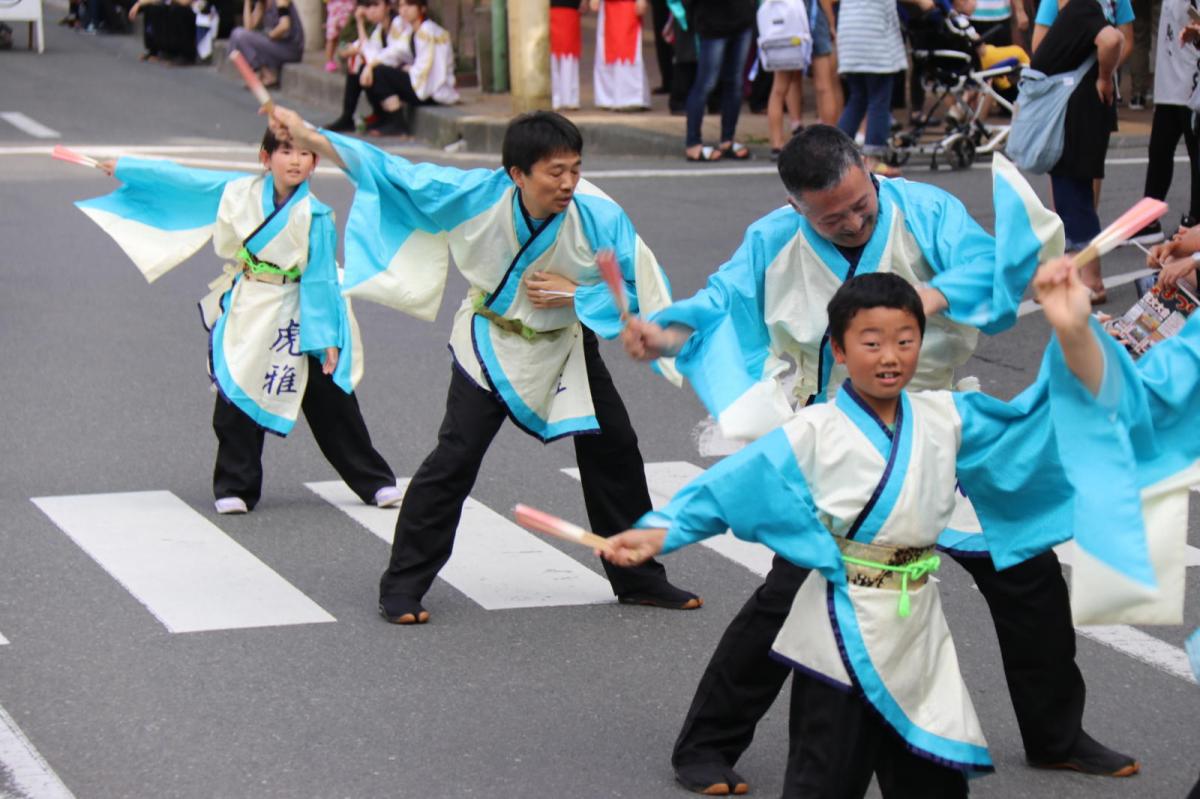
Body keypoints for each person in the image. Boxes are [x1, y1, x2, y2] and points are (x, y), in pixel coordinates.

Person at [620, 125, 1138, 794]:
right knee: (794, 590)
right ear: (798, 207)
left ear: (867, 169)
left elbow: (993, 265)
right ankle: (706, 744)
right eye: (830, 217)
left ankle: (1056, 733)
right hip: (839, 436)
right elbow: (720, 306)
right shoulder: (774, 239)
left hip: (940, 421)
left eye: (860, 204)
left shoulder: (924, 211)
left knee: (1026, 574)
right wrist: (662, 336)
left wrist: (927, 296)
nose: (851, 221)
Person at [268, 105, 701, 625]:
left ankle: (639, 579)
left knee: (616, 448)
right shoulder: (474, 196)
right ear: (516, 174)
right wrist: (307, 133)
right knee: (455, 457)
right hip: (493, 339)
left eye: (576, 169)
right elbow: (388, 170)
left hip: (565, 344)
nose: (569, 183)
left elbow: (634, 290)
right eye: (555, 172)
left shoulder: (599, 217)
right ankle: (403, 584)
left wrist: (580, 295)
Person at [74, 130, 403, 515]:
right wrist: (129, 169)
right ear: (266, 157)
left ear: (315, 162)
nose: (295, 160)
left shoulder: (317, 214)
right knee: (237, 389)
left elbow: (321, 279)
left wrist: (326, 337)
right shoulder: (239, 191)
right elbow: (186, 178)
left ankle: (374, 480)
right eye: (285, 151)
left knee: (330, 397)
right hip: (253, 302)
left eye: (304, 153)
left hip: (301, 307)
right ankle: (236, 484)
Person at [1029, 0, 1124, 303]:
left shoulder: (1082, 6)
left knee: (1075, 196)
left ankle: (1091, 281)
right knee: (1072, 196)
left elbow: (1113, 39)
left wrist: (1105, 77)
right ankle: (1074, 277)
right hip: (1076, 110)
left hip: (1076, 112)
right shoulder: (1083, 8)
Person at [1129, 0, 1200, 245]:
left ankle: (1195, 220)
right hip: (1170, 74)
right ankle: (1148, 218)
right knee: (1159, 149)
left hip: (1193, 77)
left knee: (1196, 155)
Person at [836, 0, 935, 176]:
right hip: (874, 39)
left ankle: (834, 152)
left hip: (849, 38)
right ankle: (873, 158)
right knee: (879, 100)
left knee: (857, 98)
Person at [362, 0, 459, 135]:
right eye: (401, 6)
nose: (404, 10)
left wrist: (408, 70)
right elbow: (394, 52)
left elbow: (429, 69)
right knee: (376, 70)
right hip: (420, 82)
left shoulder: (428, 31)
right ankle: (386, 118)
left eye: (410, 5)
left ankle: (398, 123)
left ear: (422, 9)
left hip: (432, 90)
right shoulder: (411, 31)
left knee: (380, 73)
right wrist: (370, 65)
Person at [683, 0, 755, 161]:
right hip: (712, 23)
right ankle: (693, 143)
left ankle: (727, 140)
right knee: (705, 84)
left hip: (742, 18)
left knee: (735, 83)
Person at [324, 0, 409, 134]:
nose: (371, 11)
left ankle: (396, 121)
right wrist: (359, 23)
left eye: (376, 5)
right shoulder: (379, 29)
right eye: (368, 6)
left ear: (388, 7)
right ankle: (348, 116)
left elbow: (394, 54)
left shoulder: (398, 24)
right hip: (393, 74)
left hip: (411, 78)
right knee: (360, 65)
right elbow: (366, 49)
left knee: (373, 70)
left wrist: (369, 65)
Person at [228, 0, 304, 88]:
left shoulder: (281, 1)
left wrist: (268, 36)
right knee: (236, 34)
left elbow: (284, 26)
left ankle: (267, 75)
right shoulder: (262, 3)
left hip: (290, 48)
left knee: (239, 34)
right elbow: (248, 28)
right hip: (277, 44)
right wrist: (247, 3)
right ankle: (265, 73)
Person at [590, 0, 651, 110]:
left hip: (628, 5)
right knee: (607, 48)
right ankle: (608, 97)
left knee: (626, 47)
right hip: (607, 6)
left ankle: (631, 97)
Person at [128, 0, 198, 64]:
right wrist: (139, 4)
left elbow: (185, 2)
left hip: (195, 9)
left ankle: (186, 55)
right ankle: (155, 50)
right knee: (153, 7)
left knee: (179, 10)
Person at [551, 0, 586, 110]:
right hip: (549, 9)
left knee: (569, 54)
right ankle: (554, 98)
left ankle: (570, 98)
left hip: (571, 8)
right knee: (552, 56)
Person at [323, 0, 356, 72]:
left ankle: (344, 60)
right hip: (335, 12)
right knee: (332, 38)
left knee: (344, 38)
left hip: (347, 12)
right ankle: (329, 61)